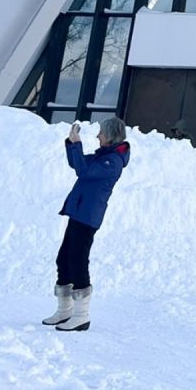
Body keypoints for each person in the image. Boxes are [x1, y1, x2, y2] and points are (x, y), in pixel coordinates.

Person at [43, 116, 131, 333]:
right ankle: (65, 310)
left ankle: (81, 316)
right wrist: (73, 143)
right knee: (64, 259)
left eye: (101, 133)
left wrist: (78, 144)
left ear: (110, 137)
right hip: (79, 212)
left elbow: (84, 171)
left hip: (88, 217)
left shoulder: (113, 162)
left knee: (77, 261)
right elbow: (77, 163)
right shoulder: (104, 156)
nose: (98, 136)